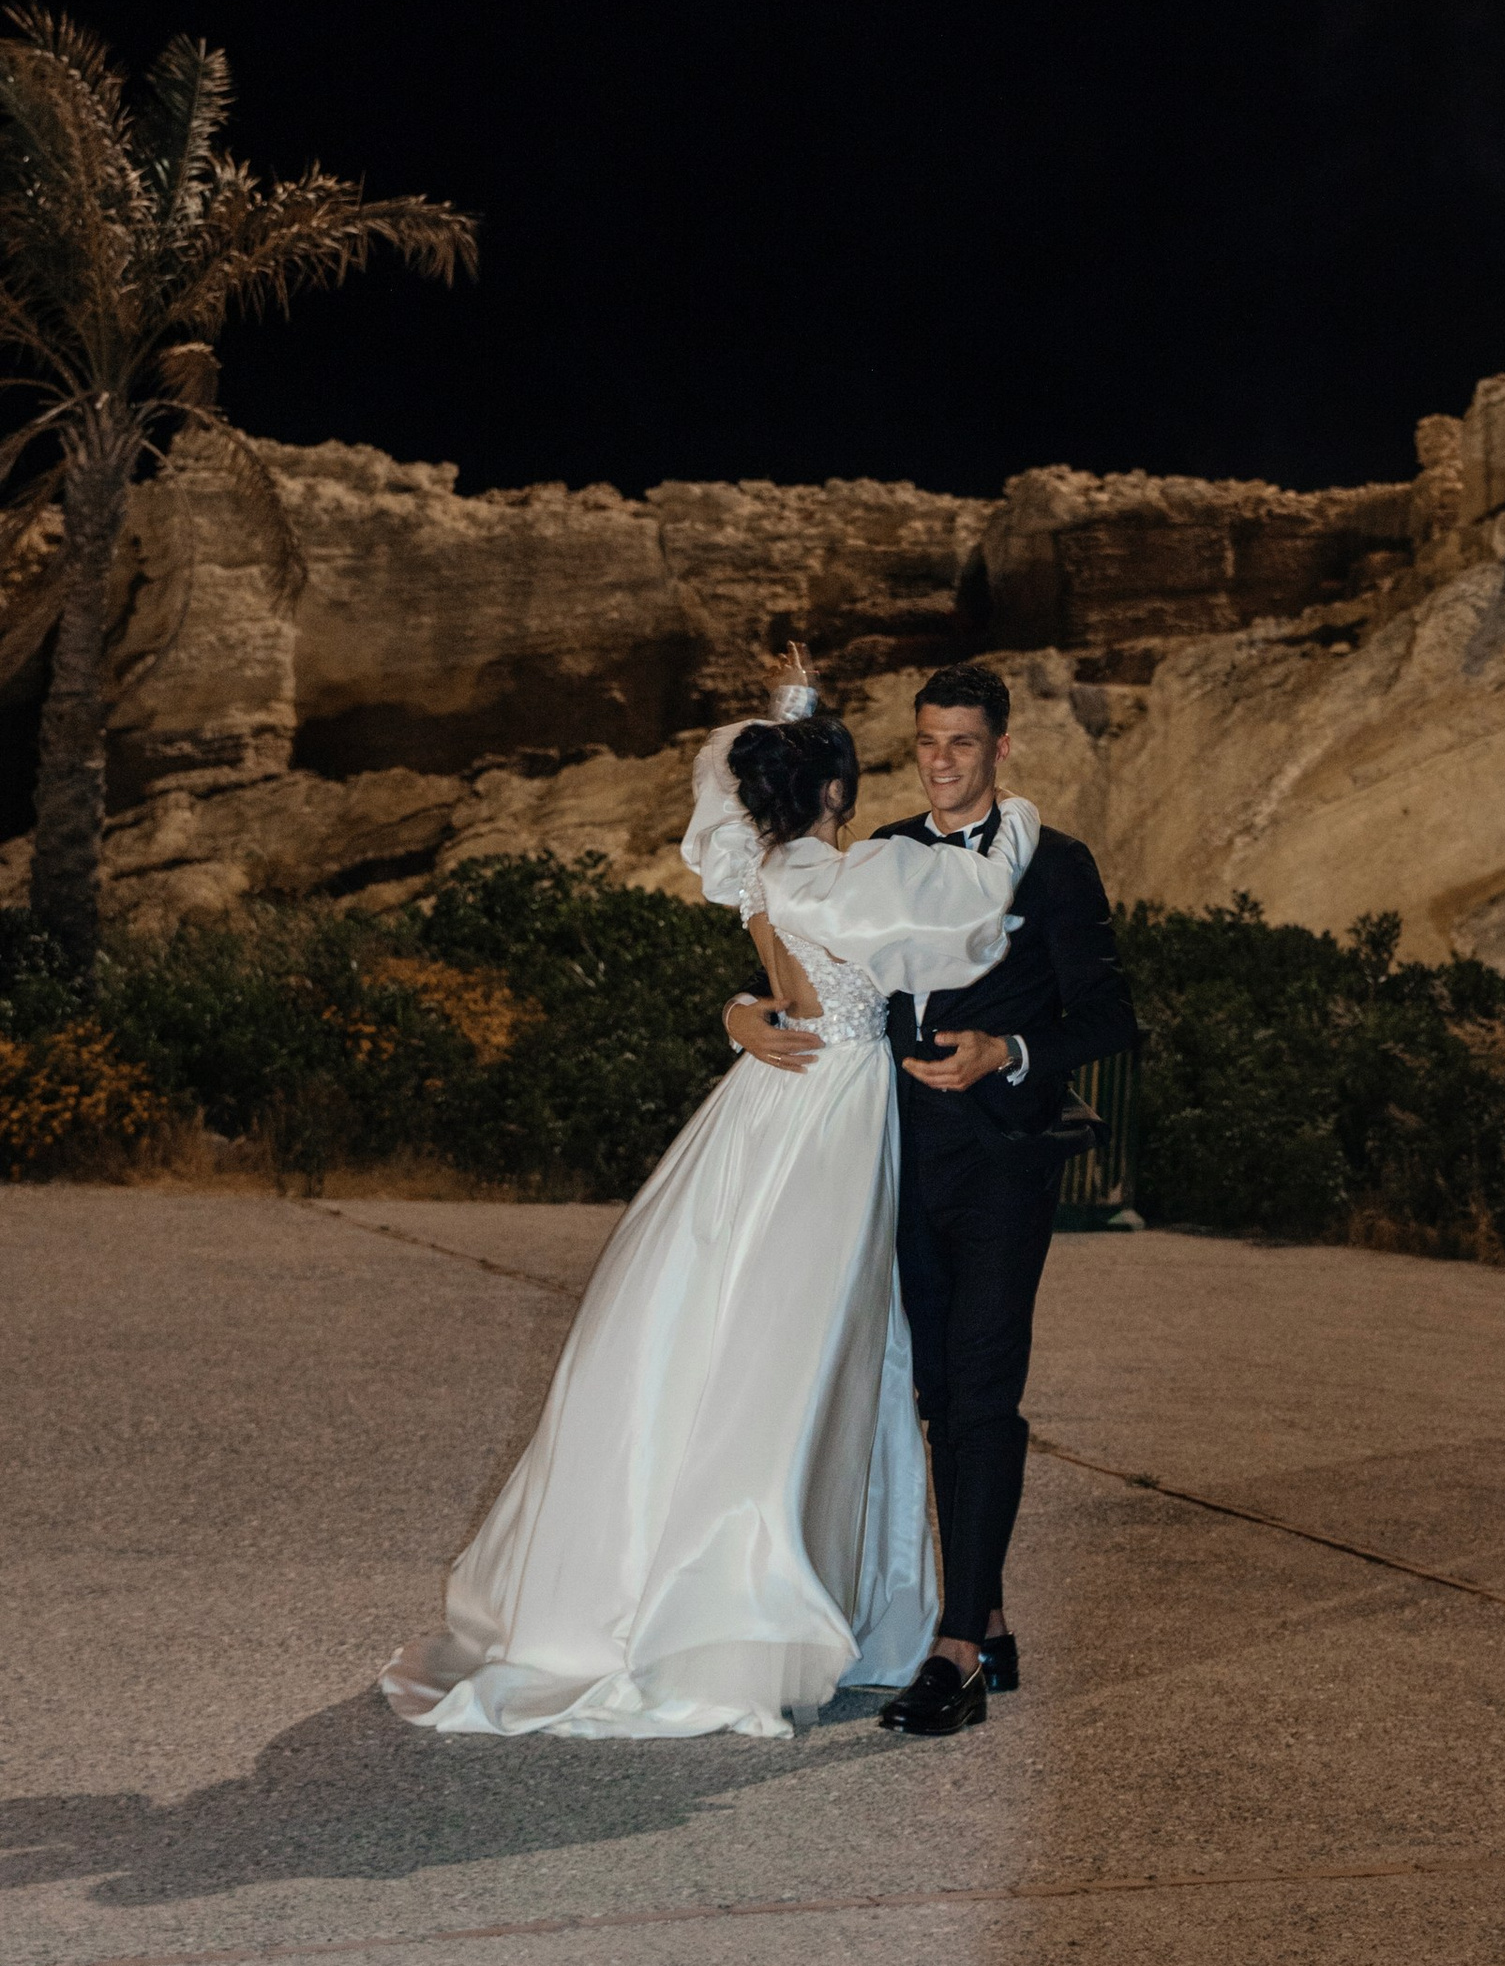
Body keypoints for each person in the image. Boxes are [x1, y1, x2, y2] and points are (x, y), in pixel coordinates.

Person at [380, 687, 1037, 1739]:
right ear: (832, 791)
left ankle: (714, 1589)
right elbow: (973, 909)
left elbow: (759, 897)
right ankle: (758, 1605)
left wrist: (741, 1008)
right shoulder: (842, 873)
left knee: (721, 1330)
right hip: (834, 1109)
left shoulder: (760, 870)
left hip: (767, 1101)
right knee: (808, 1350)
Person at [731, 655, 1140, 1739]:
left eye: (962, 743)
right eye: (926, 743)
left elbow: (1109, 1019)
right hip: (895, 1161)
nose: (942, 763)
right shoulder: (887, 856)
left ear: (1001, 748)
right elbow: (810, 972)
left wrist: (1008, 1048)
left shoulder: (1053, 864)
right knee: (930, 1398)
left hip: (1005, 1159)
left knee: (982, 1390)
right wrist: (741, 1007)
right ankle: (987, 1617)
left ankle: (954, 1654)